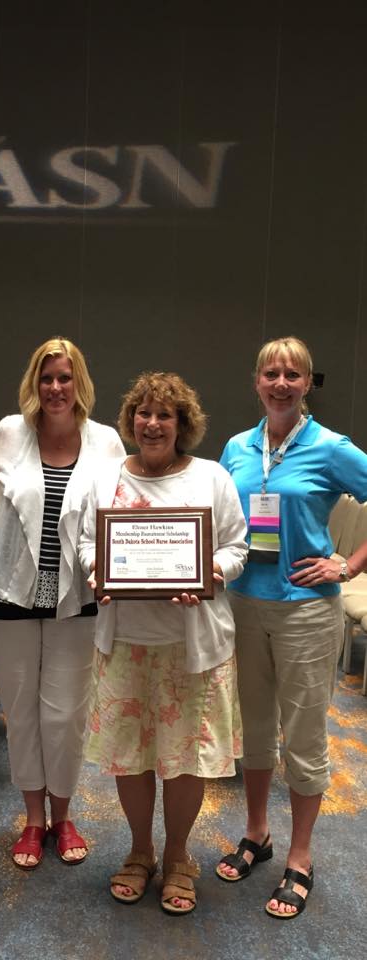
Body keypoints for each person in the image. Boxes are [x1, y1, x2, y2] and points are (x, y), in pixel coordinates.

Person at [78, 371, 248, 914]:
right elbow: (85, 540)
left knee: (184, 759)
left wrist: (208, 575)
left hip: (191, 648)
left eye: (164, 415)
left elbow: (237, 548)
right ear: (131, 421)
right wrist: (95, 570)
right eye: (143, 414)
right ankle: (139, 850)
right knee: (131, 757)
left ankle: (178, 856)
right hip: (124, 641)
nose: (152, 424)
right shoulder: (105, 478)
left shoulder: (211, 477)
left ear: (182, 424)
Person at [215, 335, 367, 918]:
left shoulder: (331, 448)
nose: (281, 383)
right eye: (271, 374)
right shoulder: (236, 447)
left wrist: (347, 564)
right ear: (256, 381)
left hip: (306, 608)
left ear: (307, 385)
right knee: (252, 731)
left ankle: (300, 856)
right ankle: (258, 832)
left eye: (293, 375)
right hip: (243, 604)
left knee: (302, 737)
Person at [0, 336, 124, 869]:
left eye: (65, 377)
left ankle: (65, 815)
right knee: (22, 712)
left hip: (77, 599)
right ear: (34, 383)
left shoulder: (105, 441)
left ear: (80, 382)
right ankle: (33, 820)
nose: (56, 388)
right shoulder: (11, 433)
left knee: (66, 716)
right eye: (46, 377)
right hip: (8, 596)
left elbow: (125, 508)